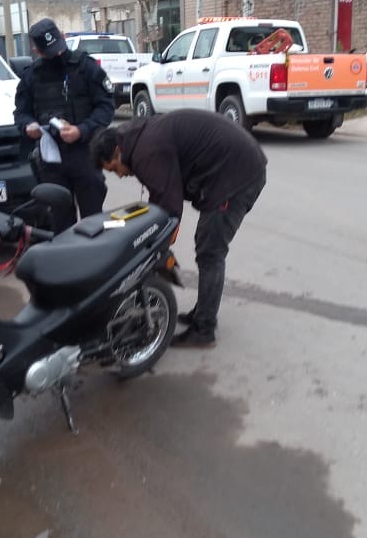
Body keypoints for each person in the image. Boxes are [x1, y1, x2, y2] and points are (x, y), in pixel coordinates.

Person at [90, 109, 267, 348]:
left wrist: (153, 250)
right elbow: (159, 195)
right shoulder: (136, 141)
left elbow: (169, 209)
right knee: (206, 247)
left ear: (117, 151)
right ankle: (202, 312)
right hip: (231, 165)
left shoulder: (146, 152)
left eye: (113, 169)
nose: (119, 176)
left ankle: (204, 330)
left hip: (237, 176)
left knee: (210, 252)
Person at [14, 18, 115, 231]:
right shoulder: (31, 76)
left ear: (62, 35)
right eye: (50, 52)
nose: (58, 54)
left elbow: (106, 107)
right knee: (60, 224)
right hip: (51, 160)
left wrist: (82, 130)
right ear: (37, 50)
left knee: (94, 223)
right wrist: (28, 126)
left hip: (85, 154)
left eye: (58, 47)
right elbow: (21, 113)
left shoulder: (86, 67)